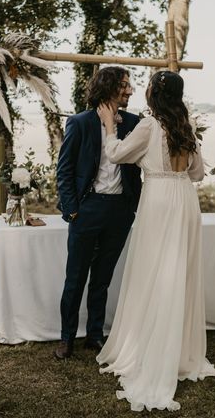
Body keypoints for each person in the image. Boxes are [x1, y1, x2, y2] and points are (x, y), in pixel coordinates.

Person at [95, 71, 215, 412]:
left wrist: (109, 125)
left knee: (154, 271)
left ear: (154, 94)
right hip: (184, 198)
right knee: (179, 270)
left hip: (159, 199)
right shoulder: (185, 124)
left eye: (147, 86)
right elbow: (197, 173)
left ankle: (151, 348)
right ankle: (181, 350)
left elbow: (117, 154)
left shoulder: (151, 125)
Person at [55, 66, 142, 359]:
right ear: (109, 87)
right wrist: (72, 211)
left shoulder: (134, 122)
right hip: (87, 209)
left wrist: (131, 208)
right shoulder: (79, 123)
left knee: (102, 278)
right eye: (125, 85)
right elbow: (64, 170)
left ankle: (94, 335)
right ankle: (66, 338)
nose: (130, 90)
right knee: (75, 277)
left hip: (119, 211)